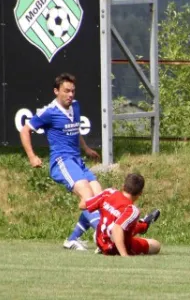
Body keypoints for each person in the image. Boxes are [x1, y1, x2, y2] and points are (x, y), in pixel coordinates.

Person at [20, 73, 102, 251]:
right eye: (66, 91)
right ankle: (103, 237)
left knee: (98, 197)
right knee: (88, 198)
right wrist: (32, 157)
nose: (70, 95)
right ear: (56, 91)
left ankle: (72, 240)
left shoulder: (76, 106)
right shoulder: (49, 112)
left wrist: (86, 148)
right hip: (62, 162)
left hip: (77, 160)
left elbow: (75, 129)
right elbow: (25, 131)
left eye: (73, 91)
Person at [79, 172, 161, 256]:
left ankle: (143, 224)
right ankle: (143, 225)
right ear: (140, 193)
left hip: (100, 240)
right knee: (156, 245)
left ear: (123, 186)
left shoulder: (109, 193)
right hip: (115, 247)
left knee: (125, 225)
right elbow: (117, 229)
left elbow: (83, 205)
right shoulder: (132, 210)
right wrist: (124, 255)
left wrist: (82, 190)